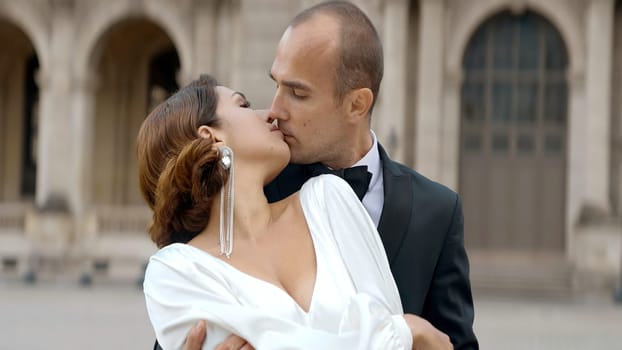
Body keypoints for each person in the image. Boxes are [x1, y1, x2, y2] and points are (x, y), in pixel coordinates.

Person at [175, 1, 478, 350]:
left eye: (297, 93)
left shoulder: (438, 211)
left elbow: (458, 344)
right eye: (276, 85)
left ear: (357, 105)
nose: (275, 110)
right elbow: (179, 323)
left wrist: (416, 335)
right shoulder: (247, 192)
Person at [138, 74, 452, 349]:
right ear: (212, 136)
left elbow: (387, 315)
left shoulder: (329, 200)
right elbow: (396, 336)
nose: (271, 114)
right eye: (244, 105)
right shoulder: (174, 273)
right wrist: (407, 331)